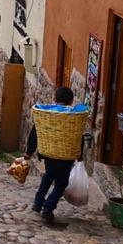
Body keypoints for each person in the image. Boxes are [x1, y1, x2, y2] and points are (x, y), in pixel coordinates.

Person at [25, 86, 81, 224]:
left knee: (48, 176)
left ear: (54, 99)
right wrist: (79, 153)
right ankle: (48, 208)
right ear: (71, 101)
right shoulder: (74, 117)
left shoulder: (46, 114)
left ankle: (38, 202)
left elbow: (36, 132)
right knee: (62, 182)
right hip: (65, 156)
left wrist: (29, 151)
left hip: (48, 154)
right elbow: (77, 136)